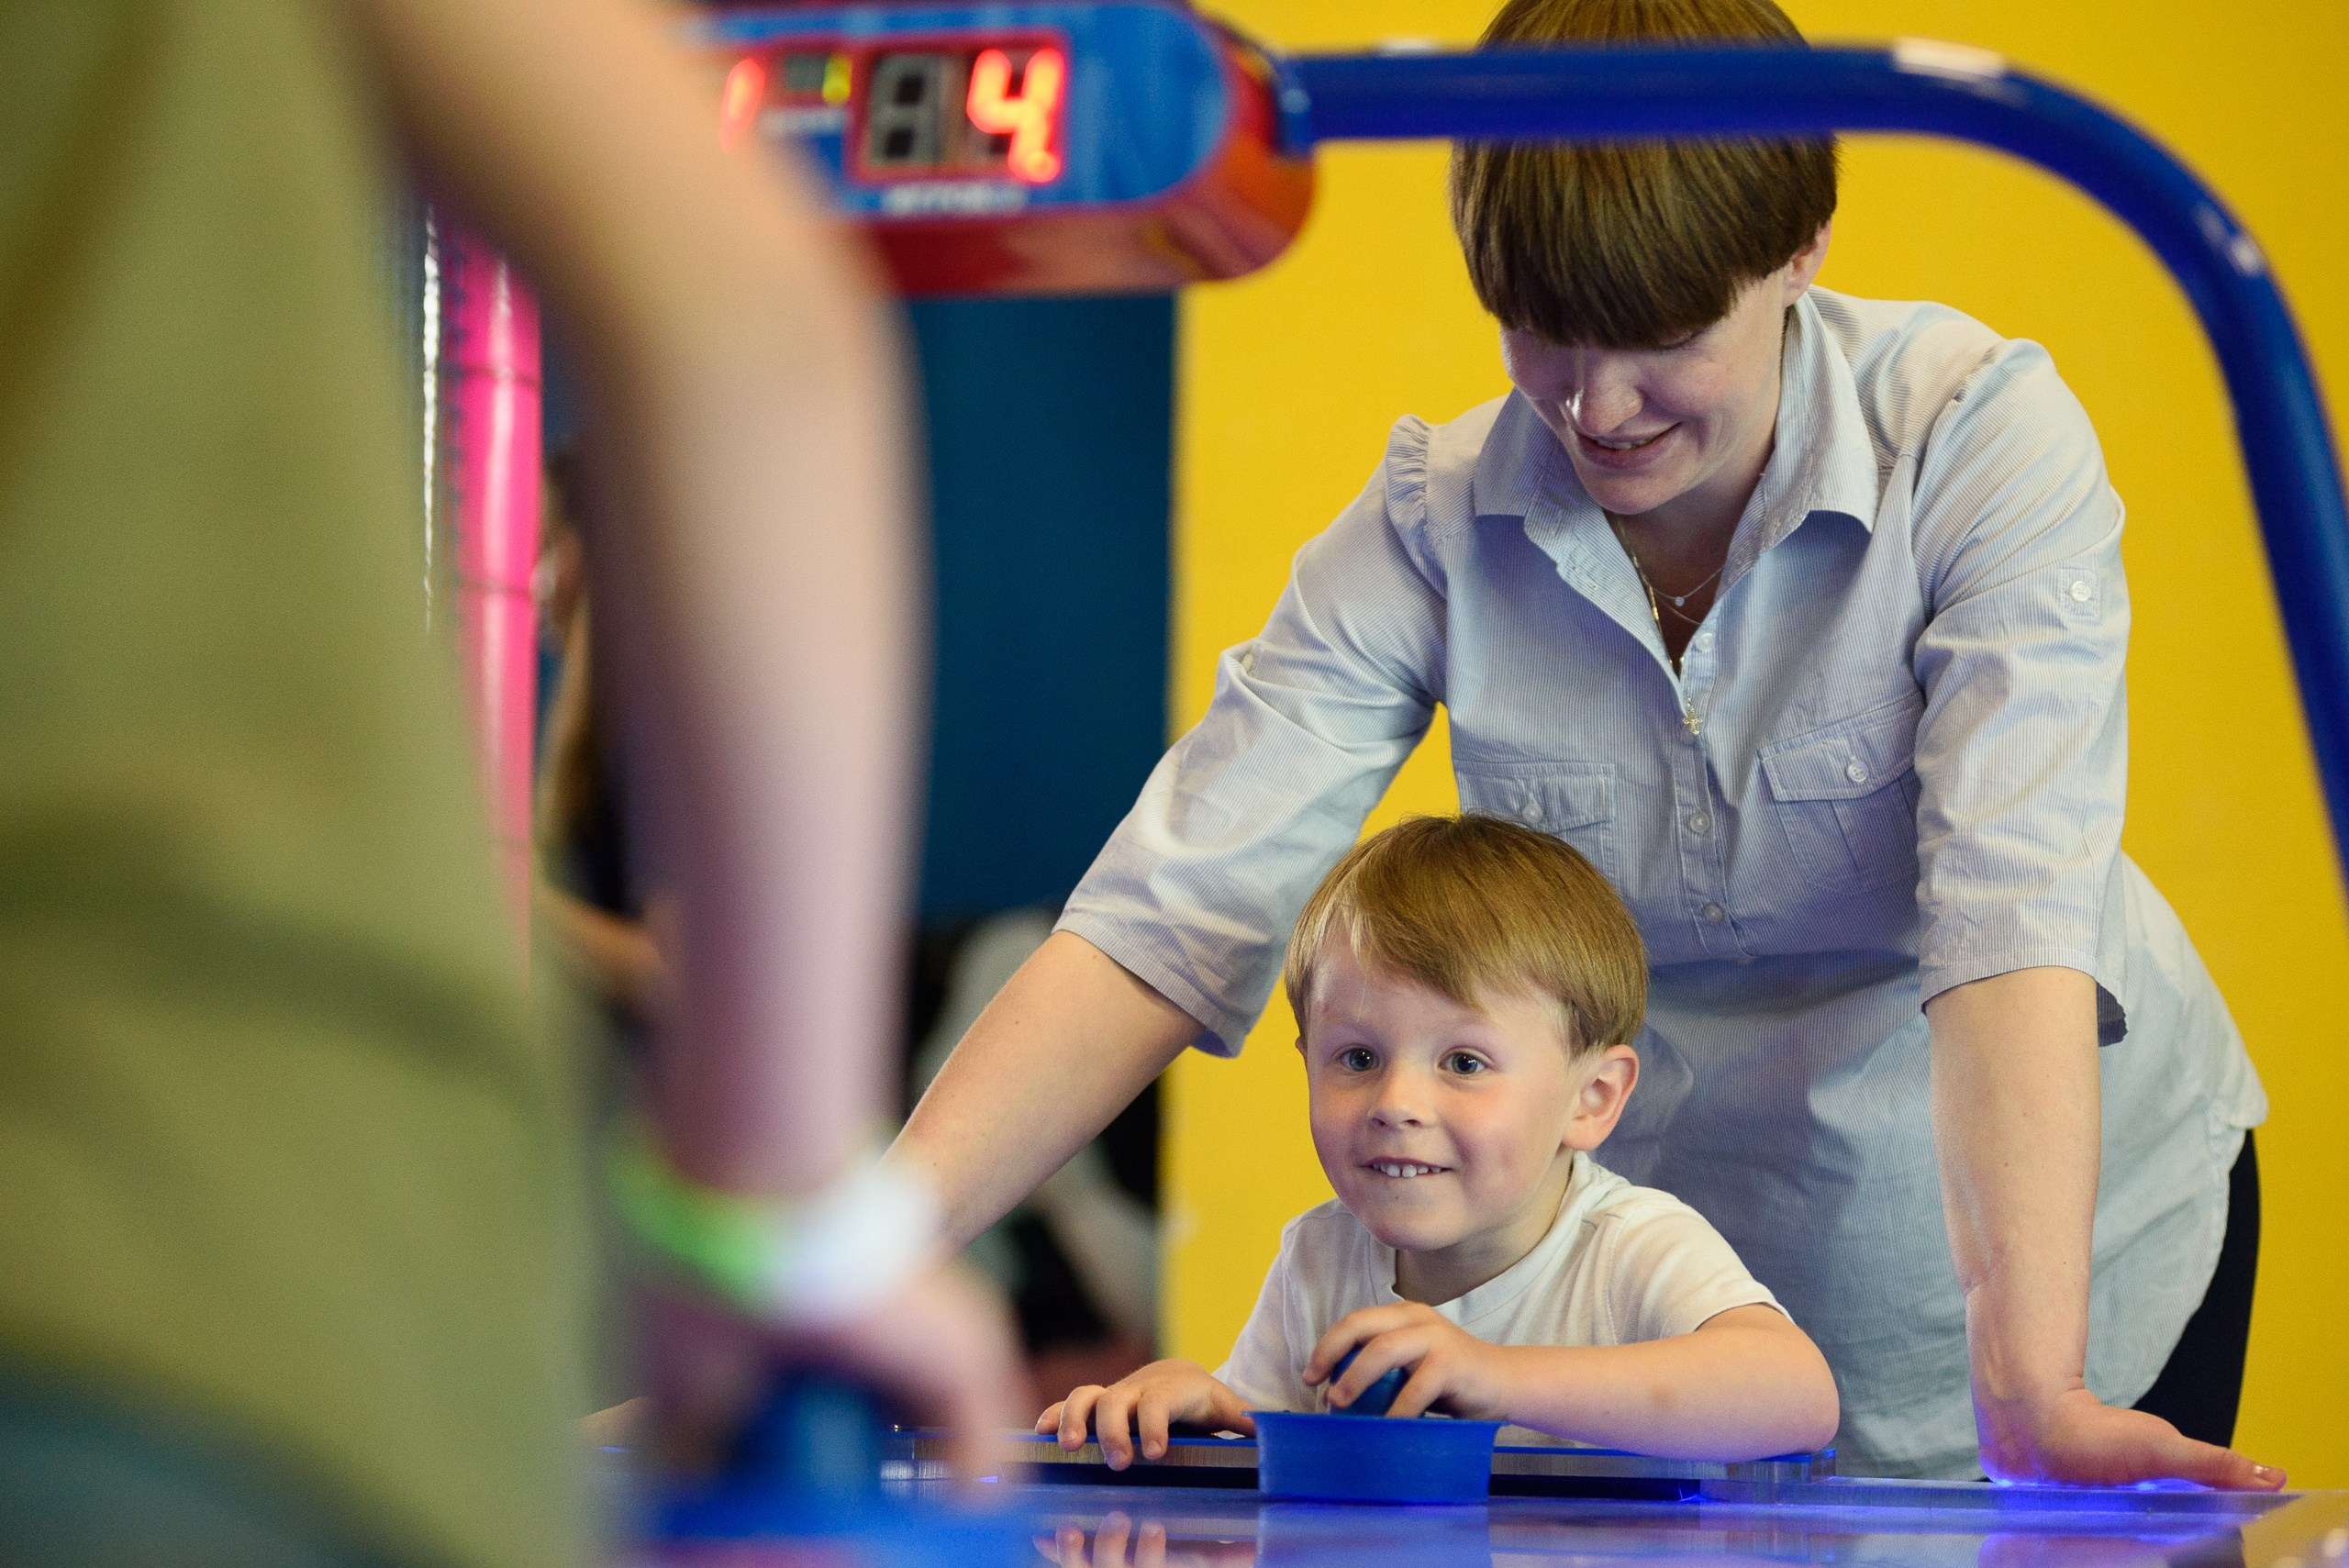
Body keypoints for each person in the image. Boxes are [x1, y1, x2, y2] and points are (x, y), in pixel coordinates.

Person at [896, 0, 2281, 1490]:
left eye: (1665, 340)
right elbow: (1165, 917)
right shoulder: (1436, 519)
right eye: (1543, 337)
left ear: (1802, 242)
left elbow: (2009, 918)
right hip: (1662, 1293)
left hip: (2047, 1249)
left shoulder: (1974, 443)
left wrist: (2033, 1382)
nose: (1595, 407)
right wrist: (833, 1277)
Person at [0, 1, 1014, 1565]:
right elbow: (744, 319)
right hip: (204, 1263)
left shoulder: (619, 730)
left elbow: (666, 953)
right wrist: (776, 1217)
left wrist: (535, 922)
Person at [1041, 817, 1839, 1467]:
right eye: (1357, 1057)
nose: (1396, 1102)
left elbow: (1797, 1394)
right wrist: (1213, 1412)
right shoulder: (1319, 1258)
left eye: (1463, 1061)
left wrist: (1496, 1375)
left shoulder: (1631, 1247)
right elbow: (1291, 1465)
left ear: (1591, 1100)